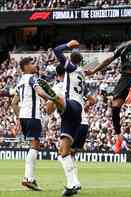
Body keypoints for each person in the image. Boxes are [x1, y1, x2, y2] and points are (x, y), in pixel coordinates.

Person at [36, 40, 87, 196]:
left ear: (71, 61)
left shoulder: (71, 69)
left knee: (58, 98)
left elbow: (57, 50)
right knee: (63, 152)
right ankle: (73, 184)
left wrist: (68, 45)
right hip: (76, 112)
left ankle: (53, 97)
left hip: (70, 104)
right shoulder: (82, 73)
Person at [85, 26, 131, 139]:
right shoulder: (125, 47)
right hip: (125, 77)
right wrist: (94, 71)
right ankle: (118, 134)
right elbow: (109, 60)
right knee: (115, 106)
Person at [11, 57, 50, 191]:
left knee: (33, 146)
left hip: (24, 116)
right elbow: (39, 91)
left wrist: (19, 117)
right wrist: (51, 99)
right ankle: (28, 178)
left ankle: (30, 178)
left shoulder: (20, 81)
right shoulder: (32, 78)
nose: (35, 65)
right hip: (33, 116)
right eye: (32, 63)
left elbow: (13, 103)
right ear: (26, 66)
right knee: (34, 146)